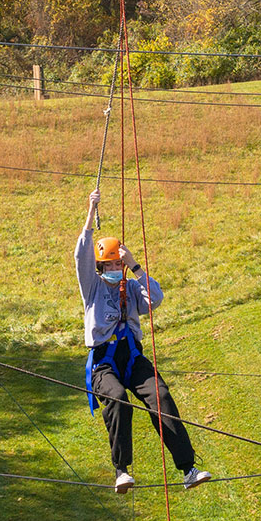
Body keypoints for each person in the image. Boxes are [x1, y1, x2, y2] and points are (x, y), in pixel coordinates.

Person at [76, 189, 210, 494]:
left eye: (115, 266)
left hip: (133, 358)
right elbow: (80, 253)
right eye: (107, 266)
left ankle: (188, 469)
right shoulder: (92, 288)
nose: (112, 271)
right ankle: (121, 471)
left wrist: (135, 267)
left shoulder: (131, 287)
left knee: (160, 397)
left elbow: (156, 298)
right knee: (119, 400)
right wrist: (90, 212)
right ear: (99, 268)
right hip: (103, 363)